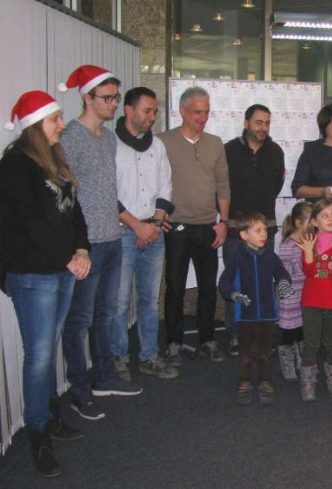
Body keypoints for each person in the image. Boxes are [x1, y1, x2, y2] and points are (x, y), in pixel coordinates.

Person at [0, 91, 91, 477]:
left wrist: (82, 248)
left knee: (48, 348)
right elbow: (28, 223)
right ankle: (38, 432)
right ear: (36, 124)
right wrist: (68, 257)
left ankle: (47, 415)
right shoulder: (15, 165)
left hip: (62, 269)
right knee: (38, 356)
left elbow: (74, 212)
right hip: (33, 272)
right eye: (54, 118)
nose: (60, 124)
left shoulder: (55, 159)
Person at [59, 65, 142, 422]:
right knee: (78, 321)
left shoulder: (109, 139)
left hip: (112, 238)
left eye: (115, 97)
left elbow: (109, 193)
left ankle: (105, 375)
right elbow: (65, 197)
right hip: (86, 245)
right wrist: (75, 245)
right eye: (107, 98)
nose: (112, 104)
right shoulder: (69, 138)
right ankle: (79, 390)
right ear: (87, 97)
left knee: (107, 314)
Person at [159, 86, 230, 366]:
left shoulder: (215, 144)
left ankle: (207, 340)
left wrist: (223, 222)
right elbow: (153, 182)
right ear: (183, 111)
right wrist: (158, 215)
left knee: (207, 288)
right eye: (197, 112)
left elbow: (223, 185)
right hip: (175, 227)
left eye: (206, 112)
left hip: (208, 226)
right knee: (175, 287)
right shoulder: (163, 142)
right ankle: (174, 343)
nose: (203, 117)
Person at [112, 86, 177, 381]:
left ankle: (149, 355)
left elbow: (166, 185)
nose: (153, 116)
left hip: (154, 230)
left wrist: (155, 222)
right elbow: (107, 194)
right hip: (123, 231)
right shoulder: (110, 144)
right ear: (129, 110)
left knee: (150, 299)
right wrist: (137, 226)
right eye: (147, 110)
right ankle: (118, 357)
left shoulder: (158, 146)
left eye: (155, 111)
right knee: (120, 300)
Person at [223, 104, 284, 356]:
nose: (263, 128)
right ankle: (236, 336)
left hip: (265, 231)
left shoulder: (275, 151)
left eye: (267, 123)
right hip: (236, 231)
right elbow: (222, 186)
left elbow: (278, 183)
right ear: (247, 122)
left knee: (263, 285)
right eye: (259, 122)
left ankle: (262, 336)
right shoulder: (229, 150)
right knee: (236, 282)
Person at [219, 212, 293, 406]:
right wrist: (234, 294)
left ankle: (266, 382)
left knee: (265, 352)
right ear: (244, 235)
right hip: (245, 314)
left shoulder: (270, 255)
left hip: (268, 314)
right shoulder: (237, 257)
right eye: (258, 230)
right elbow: (225, 282)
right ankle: (244, 382)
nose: (264, 234)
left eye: (265, 230)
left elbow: (282, 273)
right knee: (246, 353)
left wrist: (284, 283)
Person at [295, 199, 332, 402]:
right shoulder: (309, 242)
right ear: (316, 222)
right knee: (311, 342)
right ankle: (308, 382)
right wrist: (309, 252)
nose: (330, 219)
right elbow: (309, 272)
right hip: (311, 301)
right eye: (325, 215)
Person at [277, 202, 312, 381]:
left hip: (306, 294)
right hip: (291, 295)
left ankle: (302, 360)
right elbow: (284, 273)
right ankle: (287, 362)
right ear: (299, 223)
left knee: (303, 330)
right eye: (311, 219)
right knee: (289, 331)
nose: (314, 223)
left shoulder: (310, 241)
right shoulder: (288, 245)